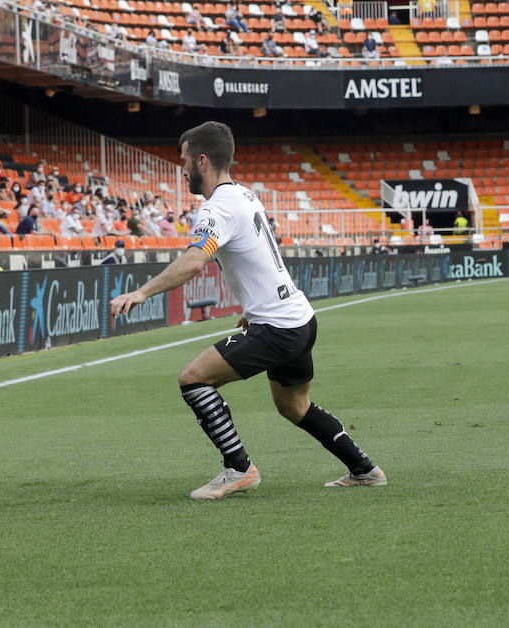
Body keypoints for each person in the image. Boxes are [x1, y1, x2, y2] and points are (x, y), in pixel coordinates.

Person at [109, 121, 384, 500]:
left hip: (277, 327)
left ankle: (238, 468)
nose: (182, 168)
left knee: (193, 379)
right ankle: (365, 469)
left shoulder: (217, 208)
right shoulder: (245, 195)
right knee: (294, 405)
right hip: (299, 317)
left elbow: (192, 264)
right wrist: (255, 308)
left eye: (184, 160)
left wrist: (141, 293)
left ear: (201, 161)